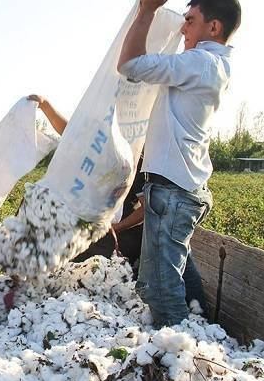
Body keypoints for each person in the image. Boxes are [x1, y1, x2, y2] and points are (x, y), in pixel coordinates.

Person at [117, 0, 241, 327]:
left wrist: (146, 9)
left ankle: (178, 357)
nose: (182, 28)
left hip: (174, 193)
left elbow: (129, 64)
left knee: (159, 287)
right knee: (177, 269)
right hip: (180, 188)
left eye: (190, 20)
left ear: (213, 27)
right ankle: (201, 330)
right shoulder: (212, 67)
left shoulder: (200, 62)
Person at [28, 95, 207, 312]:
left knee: (174, 259)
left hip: (128, 230)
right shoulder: (95, 153)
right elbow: (69, 133)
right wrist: (45, 105)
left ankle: (195, 310)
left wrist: (114, 227)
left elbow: (143, 211)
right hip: (103, 226)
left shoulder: (135, 161)